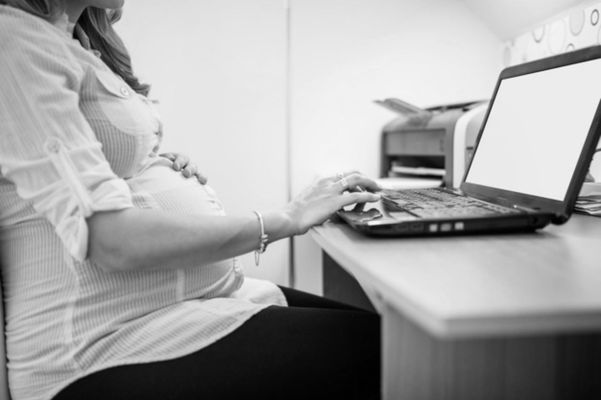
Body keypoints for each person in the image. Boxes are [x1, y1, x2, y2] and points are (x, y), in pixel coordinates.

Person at [0, 1, 382, 399]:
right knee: (389, 355)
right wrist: (287, 217)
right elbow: (110, 240)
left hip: (183, 307)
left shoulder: (72, 38)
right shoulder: (15, 41)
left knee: (393, 340)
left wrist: (148, 165)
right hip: (100, 344)